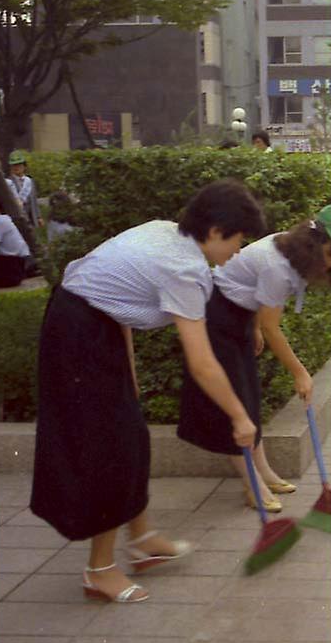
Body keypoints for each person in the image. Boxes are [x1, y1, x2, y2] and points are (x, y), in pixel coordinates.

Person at [30, 180, 266, 603]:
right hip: (77, 336)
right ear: (215, 231)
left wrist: (128, 368)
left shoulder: (165, 231)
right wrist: (239, 416)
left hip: (90, 327)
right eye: (238, 239)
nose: (238, 249)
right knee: (112, 448)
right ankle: (100, 570)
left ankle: (142, 540)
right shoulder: (185, 268)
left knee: (132, 435)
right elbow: (201, 361)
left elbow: (108, 291)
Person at [178, 204, 331, 512]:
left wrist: (253, 326)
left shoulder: (290, 252)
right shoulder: (278, 266)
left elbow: (254, 300)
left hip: (237, 315)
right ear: (313, 244)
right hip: (216, 317)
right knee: (234, 405)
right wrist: (300, 373)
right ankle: (252, 483)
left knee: (249, 399)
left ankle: (264, 471)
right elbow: (273, 328)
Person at [7, 151, 42, 229]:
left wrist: (38, 216)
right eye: (13, 165)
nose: (16, 167)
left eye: (19, 165)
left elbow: (34, 200)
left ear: (24, 166)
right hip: (15, 219)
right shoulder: (8, 182)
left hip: (30, 218)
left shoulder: (30, 181)